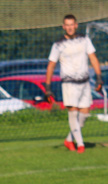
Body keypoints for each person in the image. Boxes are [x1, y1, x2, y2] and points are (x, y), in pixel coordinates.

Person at [44, 14, 102, 154]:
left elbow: (93, 58)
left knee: (85, 114)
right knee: (73, 112)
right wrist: (47, 87)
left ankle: (69, 139)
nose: (70, 27)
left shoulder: (85, 40)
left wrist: (99, 77)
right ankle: (80, 145)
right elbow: (51, 66)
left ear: (76, 25)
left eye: (72, 24)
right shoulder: (58, 45)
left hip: (84, 82)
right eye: (67, 25)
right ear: (64, 27)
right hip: (69, 83)